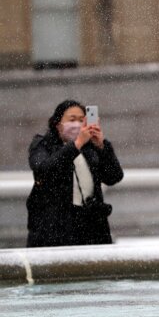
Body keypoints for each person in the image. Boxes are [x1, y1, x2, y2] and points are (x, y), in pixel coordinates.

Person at [26, 100, 124, 247]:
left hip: (91, 228)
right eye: (71, 120)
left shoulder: (90, 147)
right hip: (54, 229)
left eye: (81, 120)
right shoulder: (43, 145)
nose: (77, 124)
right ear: (58, 124)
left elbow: (113, 176)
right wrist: (76, 144)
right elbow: (45, 170)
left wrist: (102, 147)